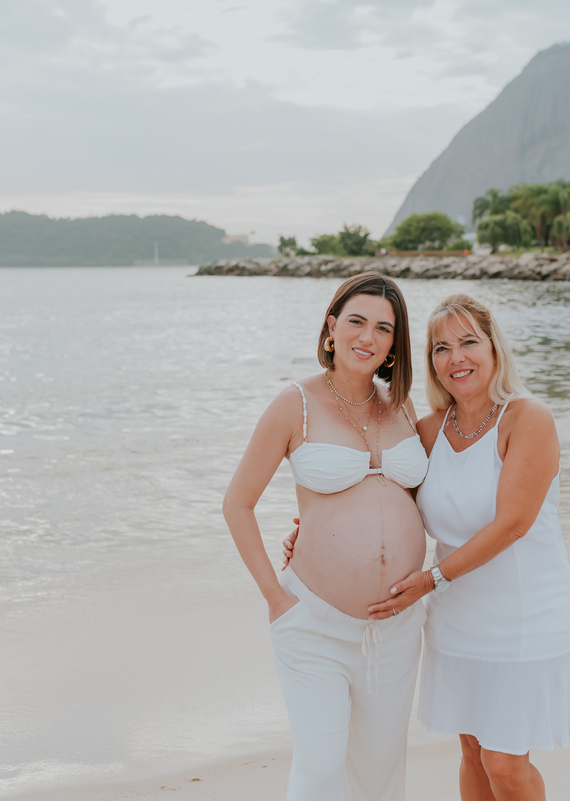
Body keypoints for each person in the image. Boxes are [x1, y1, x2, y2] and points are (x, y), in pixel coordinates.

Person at [285, 293, 570, 801]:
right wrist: (312, 530)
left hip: (526, 616)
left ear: (494, 348)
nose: (456, 358)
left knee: (505, 764)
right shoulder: (428, 432)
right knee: (471, 752)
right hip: (457, 620)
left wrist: (429, 580)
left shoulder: (527, 419)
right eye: (441, 348)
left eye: (469, 342)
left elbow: (512, 524)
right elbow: (379, 496)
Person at [222, 272, 429, 801]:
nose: (368, 337)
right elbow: (237, 504)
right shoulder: (296, 404)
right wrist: (277, 598)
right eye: (356, 321)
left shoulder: (402, 405)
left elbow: (415, 502)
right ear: (331, 327)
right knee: (319, 768)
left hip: (398, 624)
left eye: (384, 328)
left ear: (393, 343)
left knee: (381, 772)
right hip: (313, 622)